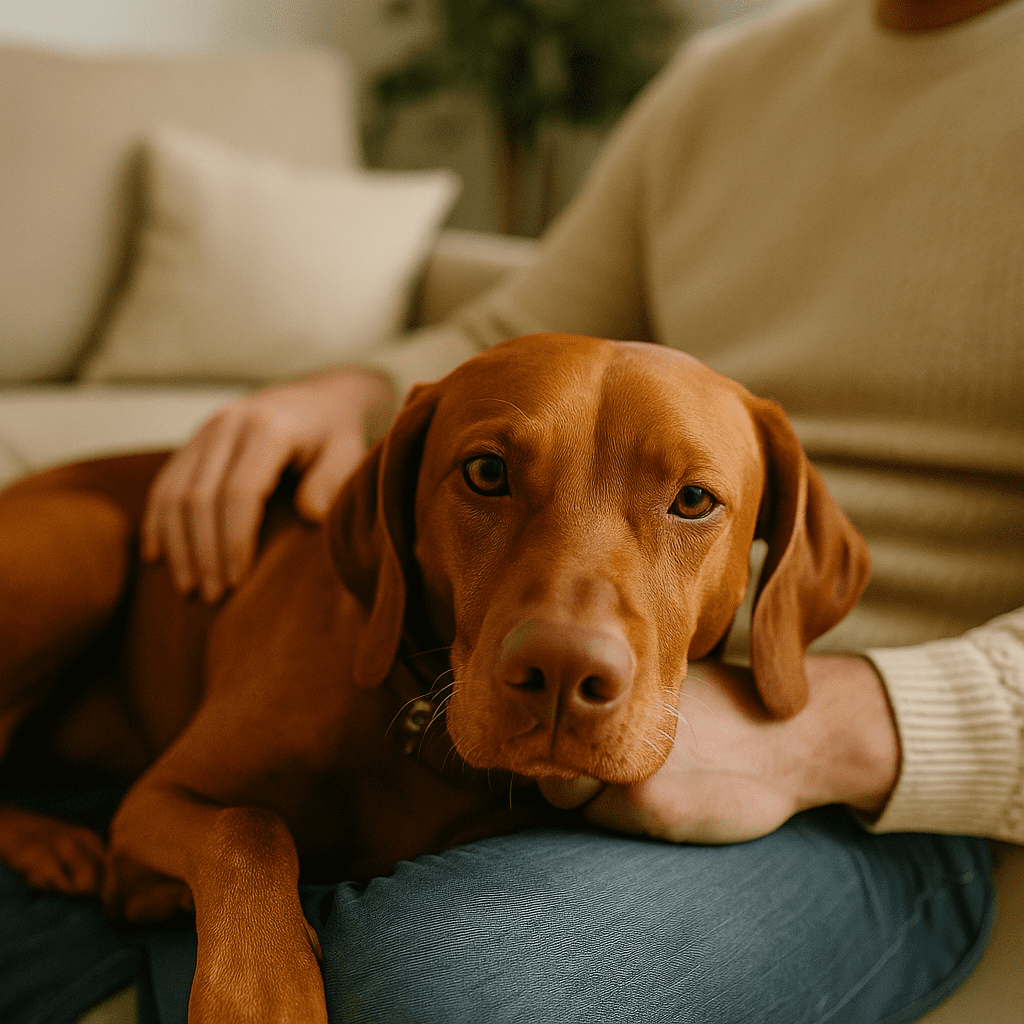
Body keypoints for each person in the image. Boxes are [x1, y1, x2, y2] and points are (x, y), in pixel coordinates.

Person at [3, 0, 1021, 1019]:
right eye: (489, 480)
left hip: (883, 791)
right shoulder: (723, 79)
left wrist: (816, 731)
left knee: (431, 977)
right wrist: (337, 390)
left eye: (693, 501)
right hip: (607, 714)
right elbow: (515, 329)